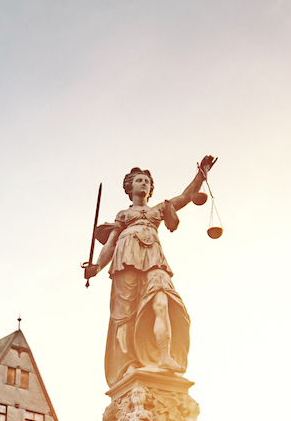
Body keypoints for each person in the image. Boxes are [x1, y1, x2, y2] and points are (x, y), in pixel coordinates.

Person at [83, 157, 217, 387]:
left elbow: (185, 197)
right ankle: (128, 363)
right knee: (125, 313)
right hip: (126, 258)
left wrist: (201, 175)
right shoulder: (123, 215)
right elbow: (110, 243)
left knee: (163, 300)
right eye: (138, 180)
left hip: (154, 258)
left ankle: (165, 355)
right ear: (130, 187)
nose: (143, 184)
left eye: (146, 181)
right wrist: (96, 267)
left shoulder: (158, 210)